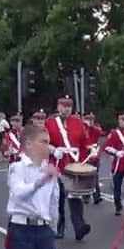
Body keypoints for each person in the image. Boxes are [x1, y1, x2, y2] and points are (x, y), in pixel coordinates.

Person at [48, 95, 93, 240]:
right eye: (64, 106)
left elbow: (85, 141)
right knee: (59, 198)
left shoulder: (77, 122)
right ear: (58, 107)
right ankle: (59, 227)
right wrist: (53, 150)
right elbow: (43, 142)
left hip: (74, 163)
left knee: (75, 196)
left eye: (69, 106)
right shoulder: (50, 123)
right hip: (58, 163)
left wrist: (92, 149)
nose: (67, 109)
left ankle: (79, 228)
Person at [102, 111, 124, 216]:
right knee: (117, 186)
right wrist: (116, 152)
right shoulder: (114, 133)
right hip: (118, 163)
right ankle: (118, 207)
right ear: (119, 121)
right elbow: (106, 147)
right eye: (123, 120)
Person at [82, 111, 105, 204]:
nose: (90, 121)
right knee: (87, 177)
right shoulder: (82, 129)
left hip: (94, 157)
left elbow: (103, 133)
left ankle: (96, 196)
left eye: (92, 119)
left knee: (94, 176)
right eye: (88, 119)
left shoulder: (95, 129)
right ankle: (86, 196)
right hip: (86, 157)